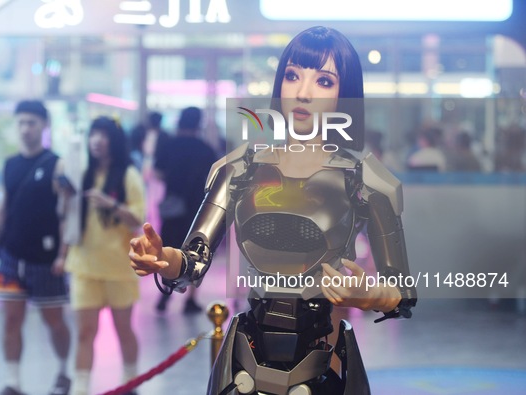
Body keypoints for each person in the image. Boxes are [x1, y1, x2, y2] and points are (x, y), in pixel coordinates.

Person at [130, 26, 416, 394]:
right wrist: (162, 258)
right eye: (293, 75)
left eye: (324, 81)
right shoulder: (240, 169)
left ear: (345, 95)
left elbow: (401, 290)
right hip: (246, 357)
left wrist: (372, 295)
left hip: (321, 358)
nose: (303, 91)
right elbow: (192, 261)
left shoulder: (363, 178)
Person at [0, 100, 71, 395]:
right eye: (21, 122)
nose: (25, 129)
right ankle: (13, 381)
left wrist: (63, 253)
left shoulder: (56, 164)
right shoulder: (9, 164)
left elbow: (65, 213)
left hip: (46, 260)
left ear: (44, 125)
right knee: (11, 319)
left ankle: (63, 372)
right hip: (11, 256)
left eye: (31, 123)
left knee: (54, 322)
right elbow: (3, 211)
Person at [57, 116, 144, 395]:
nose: (97, 140)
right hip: (83, 266)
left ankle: (130, 382)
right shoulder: (79, 173)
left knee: (123, 330)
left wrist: (112, 204)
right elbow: (66, 217)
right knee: (84, 332)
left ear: (114, 141)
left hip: (119, 267)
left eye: (103, 135)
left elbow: (138, 218)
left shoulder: (128, 174)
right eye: (93, 134)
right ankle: (80, 388)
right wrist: (62, 254)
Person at [152, 106, 217, 314]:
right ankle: (190, 298)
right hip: (197, 209)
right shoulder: (206, 149)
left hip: (173, 207)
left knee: (168, 249)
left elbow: (157, 172)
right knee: (196, 252)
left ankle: (164, 293)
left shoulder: (169, 145)